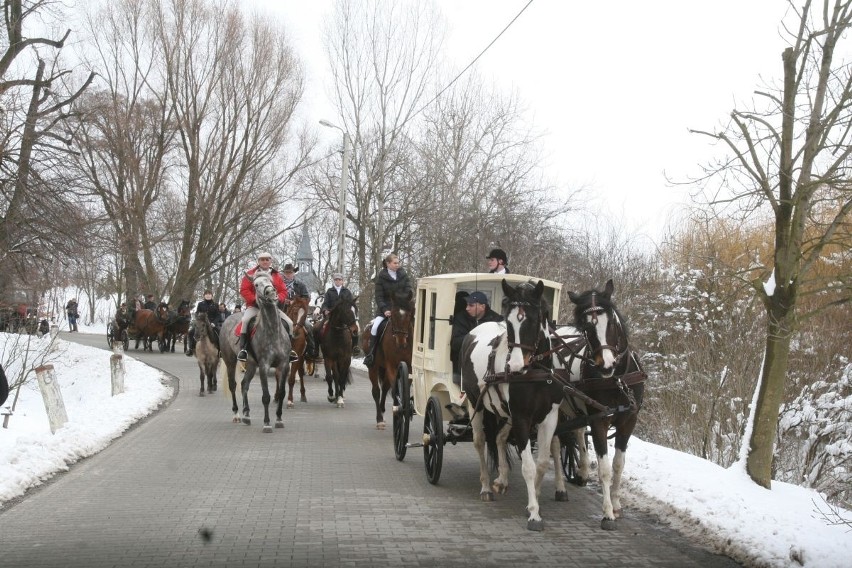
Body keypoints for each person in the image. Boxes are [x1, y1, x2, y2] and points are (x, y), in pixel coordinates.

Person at [237, 252, 293, 362]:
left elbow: (283, 291)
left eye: (267, 259)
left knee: (290, 323)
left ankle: (290, 351)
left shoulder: (276, 275)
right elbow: (244, 290)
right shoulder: (250, 274)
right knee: (245, 320)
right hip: (255, 307)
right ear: (258, 261)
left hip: (272, 307)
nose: (265, 261)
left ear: (270, 261)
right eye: (262, 259)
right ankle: (243, 350)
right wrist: (254, 299)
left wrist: (278, 298)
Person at [363, 253, 413, 368]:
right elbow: (379, 296)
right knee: (375, 327)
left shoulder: (403, 274)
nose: (397, 265)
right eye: (395, 263)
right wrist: (385, 310)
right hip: (386, 310)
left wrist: (402, 302)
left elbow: (409, 289)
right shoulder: (381, 277)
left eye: (398, 263)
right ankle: (371, 355)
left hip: (402, 308)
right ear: (388, 264)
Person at [450, 291, 503, 384]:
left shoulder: (497, 320)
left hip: (490, 369)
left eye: (471, 305)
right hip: (464, 368)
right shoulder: (461, 318)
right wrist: (477, 337)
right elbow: (455, 343)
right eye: (467, 305)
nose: (467, 308)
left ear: (482, 307)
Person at [280, 263, 317, 359]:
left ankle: (311, 349)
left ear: (294, 273)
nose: (288, 274)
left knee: (308, 326)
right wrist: (284, 300)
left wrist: (296, 301)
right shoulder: (279, 284)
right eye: (286, 272)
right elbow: (275, 297)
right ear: (284, 273)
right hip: (281, 310)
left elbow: (306, 297)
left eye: (290, 272)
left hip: (297, 310)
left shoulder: (300, 284)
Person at [316, 273, 354, 347]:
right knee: (316, 328)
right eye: (336, 280)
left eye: (339, 280)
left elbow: (351, 303)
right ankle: (316, 349)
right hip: (331, 315)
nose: (338, 281)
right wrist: (325, 310)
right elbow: (325, 303)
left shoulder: (347, 292)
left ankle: (354, 347)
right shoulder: (329, 291)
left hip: (344, 316)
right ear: (334, 281)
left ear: (342, 281)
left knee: (355, 328)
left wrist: (348, 311)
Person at [186, 290, 219, 357]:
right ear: (204, 296)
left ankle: (220, 350)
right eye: (206, 294)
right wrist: (198, 318)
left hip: (211, 324)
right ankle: (190, 348)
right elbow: (197, 313)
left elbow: (218, 315)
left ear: (212, 296)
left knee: (219, 333)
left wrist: (214, 323)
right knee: (191, 332)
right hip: (201, 323)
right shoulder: (200, 304)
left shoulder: (215, 304)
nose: (208, 295)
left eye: (209, 294)